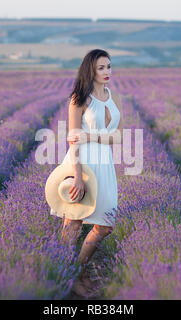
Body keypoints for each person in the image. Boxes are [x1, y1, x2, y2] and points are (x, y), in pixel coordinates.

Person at [49, 49, 124, 297]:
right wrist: (78, 176)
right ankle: (62, 275)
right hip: (82, 163)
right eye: (101, 68)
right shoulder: (79, 98)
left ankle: (75, 270)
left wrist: (91, 136)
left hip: (104, 165)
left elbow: (119, 136)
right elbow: (73, 139)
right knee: (73, 221)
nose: (107, 72)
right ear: (90, 70)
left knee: (105, 225)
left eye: (109, 67)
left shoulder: (114, 98)